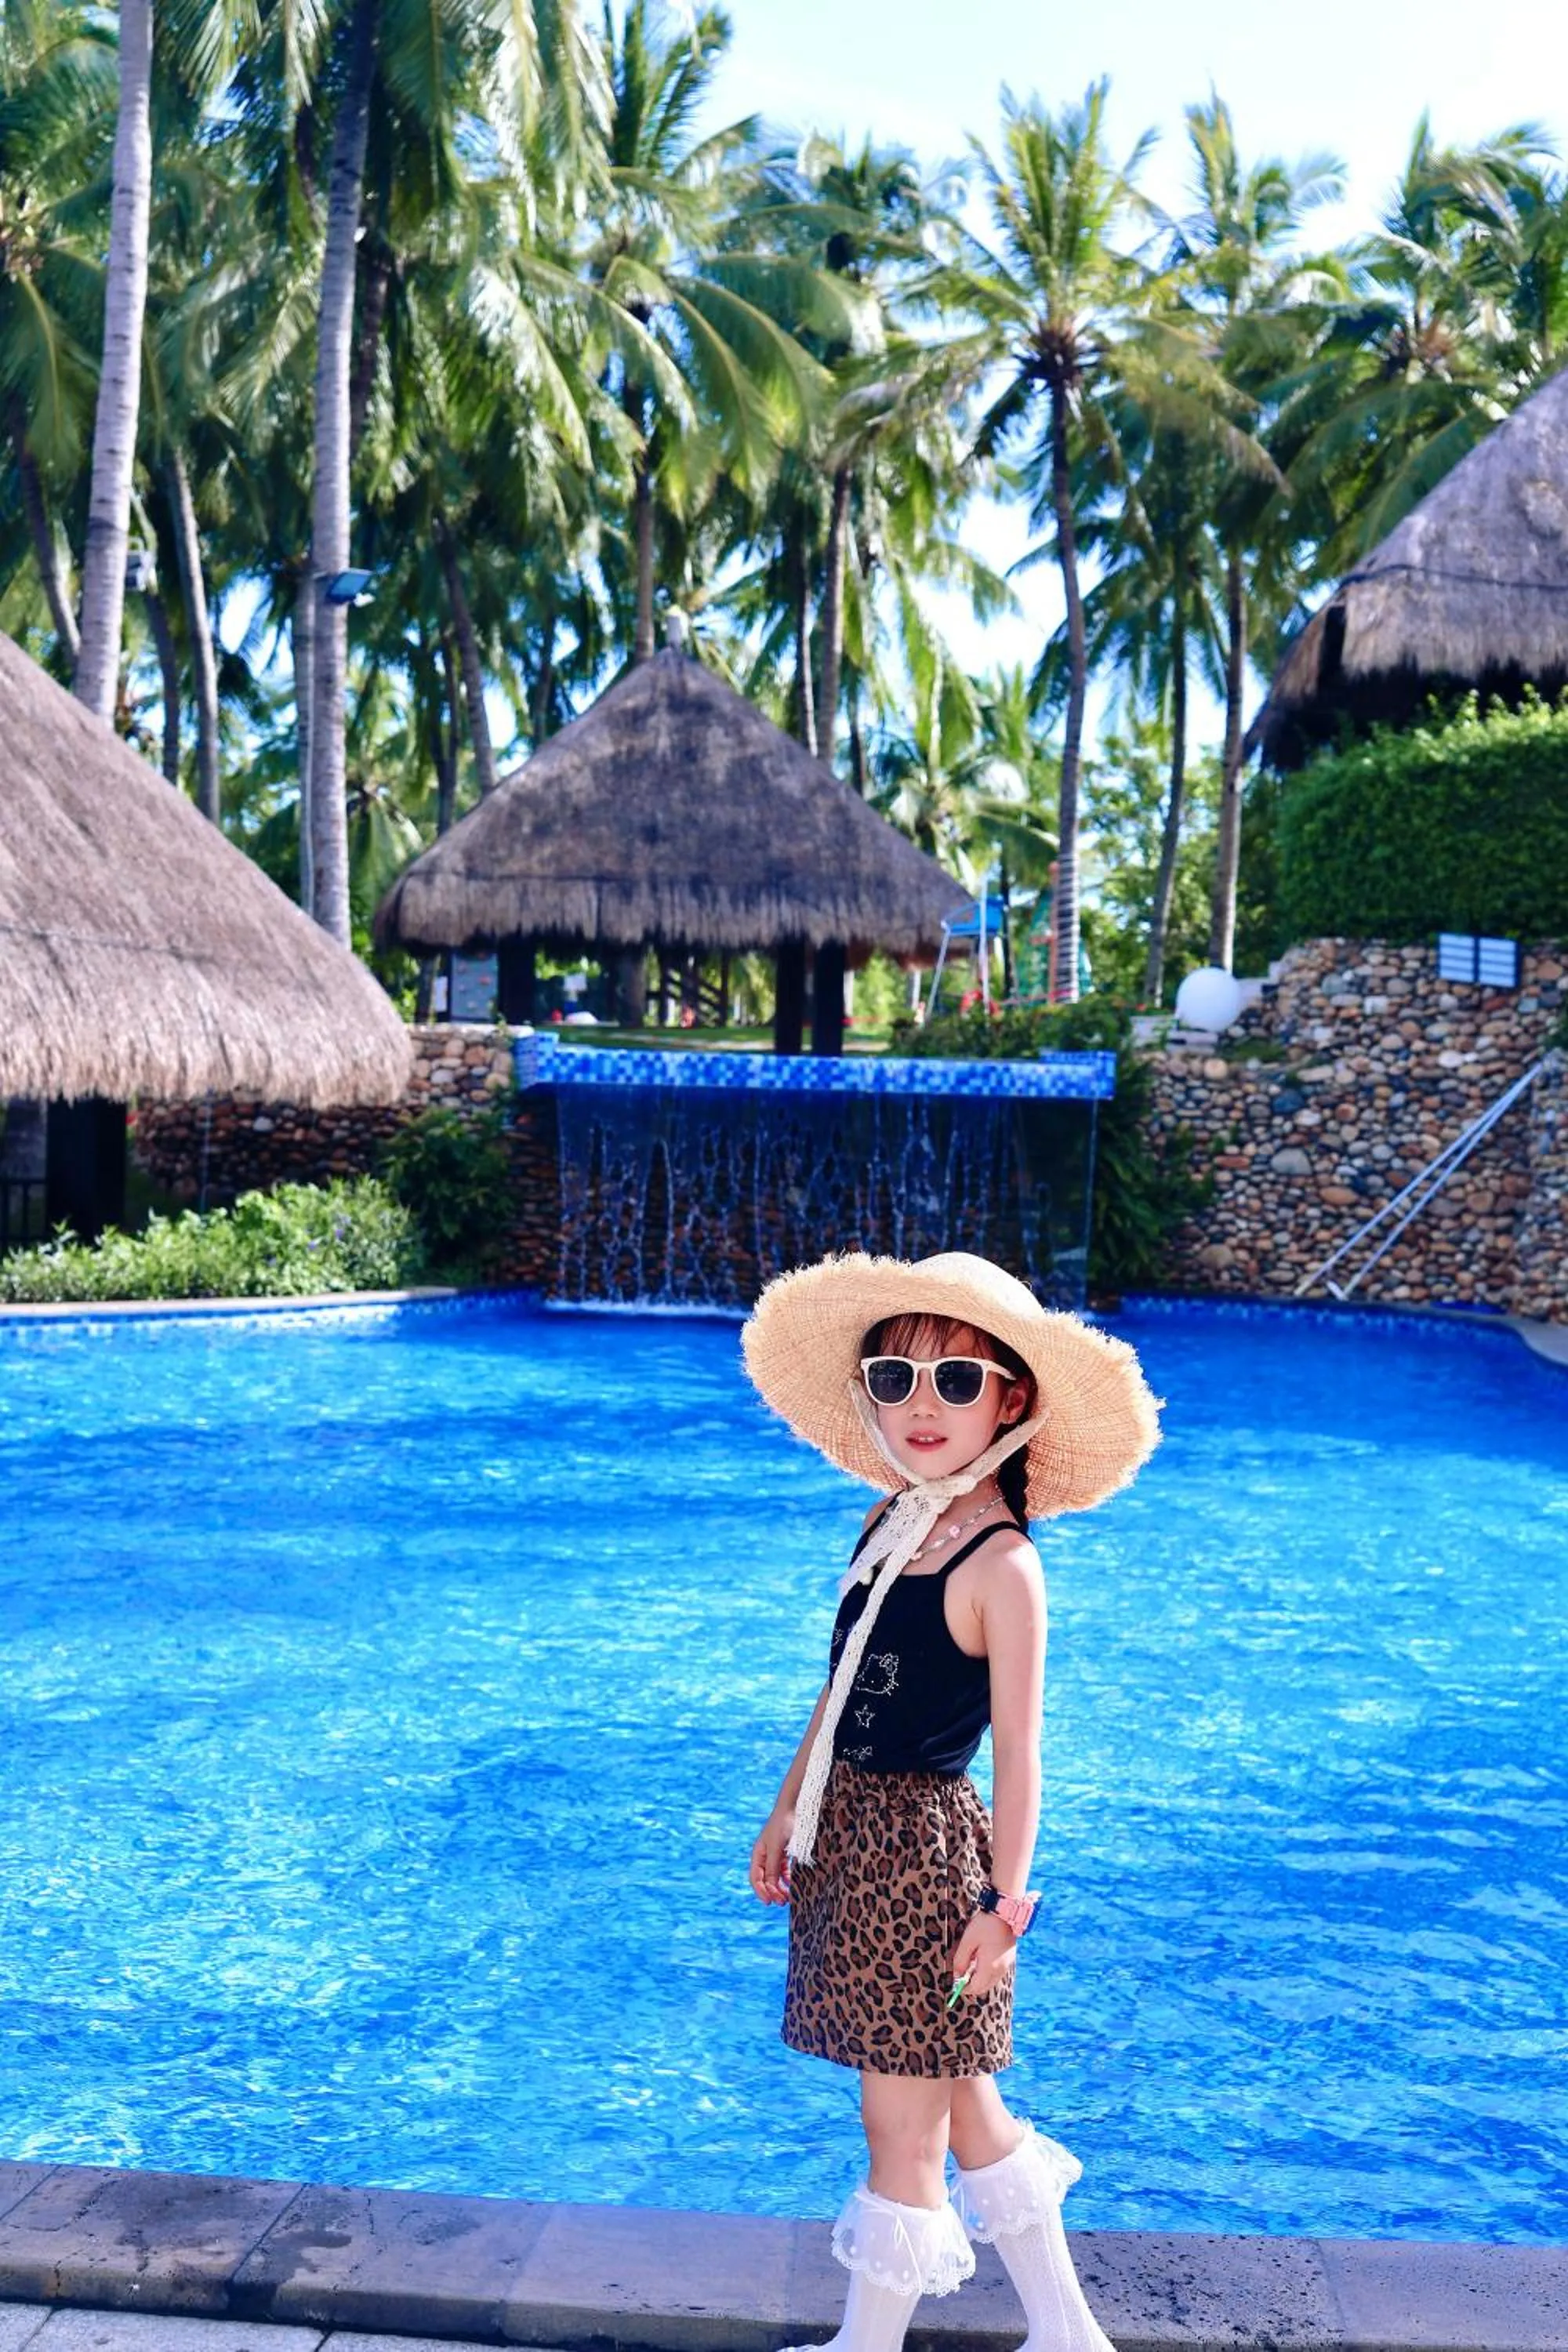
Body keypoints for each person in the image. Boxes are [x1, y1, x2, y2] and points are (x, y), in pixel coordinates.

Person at [741, 1250, 1160, 2352]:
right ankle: (1069, 2337)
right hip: (849, 1841)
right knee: (962, 2102)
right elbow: (840, 1686)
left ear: (1009, 1401)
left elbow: (1020, 1754)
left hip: (923, 1866)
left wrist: (1005, 1908)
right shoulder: (889, 1523)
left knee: (901, 2129)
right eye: (897, 1379)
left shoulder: (1002, 1566)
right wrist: (789, 1808)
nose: (923, 1406)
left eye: (957, 1380)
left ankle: (865, 2349)